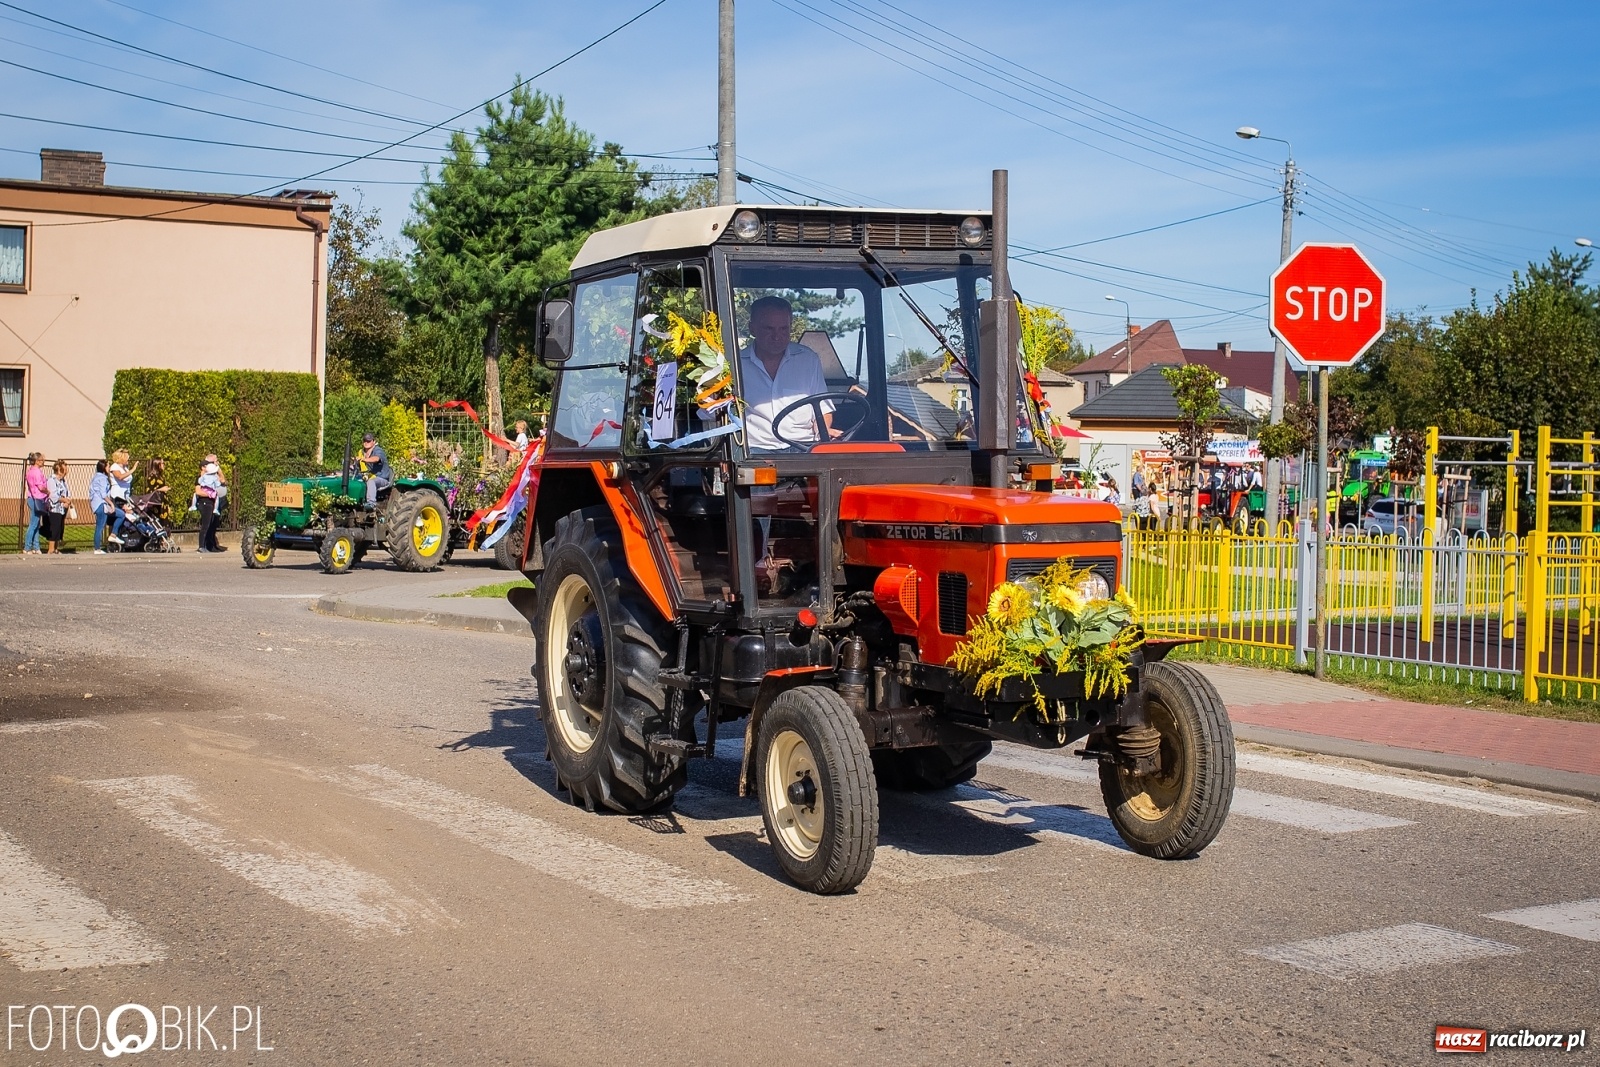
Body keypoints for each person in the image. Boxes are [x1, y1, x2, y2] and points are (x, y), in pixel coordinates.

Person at [738, 296, 836, 450]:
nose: (777, 336)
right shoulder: (737, 365)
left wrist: (822, 432)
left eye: (783, 329)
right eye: (769, 329)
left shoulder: (808, 359)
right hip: (754, 450)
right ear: (752, 328)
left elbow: (823, 409)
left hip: (803, 447)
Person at [194, 455, 225, 553]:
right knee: (205, 525)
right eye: (207, 466)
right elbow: (198, 491)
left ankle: (209, 545)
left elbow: (223, 480)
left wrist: (218, 469)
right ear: (203, 468)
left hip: (211, 503)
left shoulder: (211, 477)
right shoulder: (200, 478)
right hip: (204, 503)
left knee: (211, 525)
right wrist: (210, 494)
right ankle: (201, 546)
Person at [107, 448, 137, 545]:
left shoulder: (125, 468)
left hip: (125, 496)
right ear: (121, 458)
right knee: (120, 515)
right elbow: (120, 477)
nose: (128, 459)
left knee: (128, 516)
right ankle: (114, 536)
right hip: (117, 496)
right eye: (127, 457)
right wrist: (132, 470)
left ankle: (123, 537)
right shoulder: (114, 467)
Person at [22, 452, 48, 555]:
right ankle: (27, 547)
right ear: (37, 461)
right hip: (37, 499)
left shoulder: (30, 471)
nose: (43, 462)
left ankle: (36, 547)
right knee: (33, 524)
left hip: (32, 498)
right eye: (42, 460)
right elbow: (40, 487)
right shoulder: (37, 472)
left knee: (36, 524)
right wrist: (47, 491)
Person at [43, 459, 71, 554]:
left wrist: (68, 500)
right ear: (59, 470)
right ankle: (51, 548)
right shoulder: (52, 480)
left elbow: (67, 492)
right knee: (54, 527)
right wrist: (64, 500)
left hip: (62, 508)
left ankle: (55, 548)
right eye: (64, 469)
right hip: (54, 508)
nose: (66, 471)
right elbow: (53, 495)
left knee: (59, 528)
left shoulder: (63, 481)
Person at [358, 433, 392, 507]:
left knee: (371, 481)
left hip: (381, 478)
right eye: (364, 441)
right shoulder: (362, 452)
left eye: (368, 441)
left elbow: (376, 459)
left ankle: (371, 503)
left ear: (374, 441)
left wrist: (364, 459)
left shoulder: (378, 450)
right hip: (368, 476)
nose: (366, 443)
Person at [89, 460, 111, 554]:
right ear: (104, 468)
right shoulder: (102, 478)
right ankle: (97, 548)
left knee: (99, 526)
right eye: (108, 466)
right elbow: (103, 494)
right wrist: (111, 503)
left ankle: (98, 547)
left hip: (95, 504)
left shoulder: (96, 477)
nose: (109, 468)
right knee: (100, 526)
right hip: (101, 504)